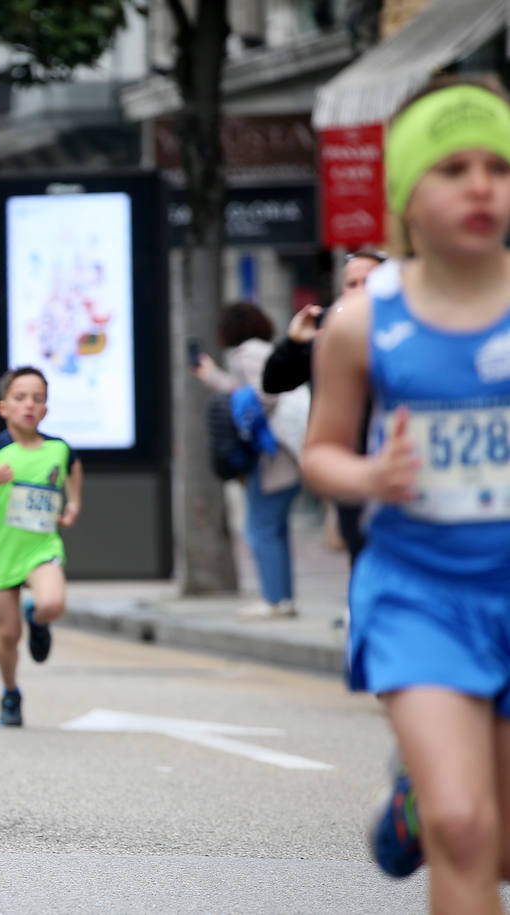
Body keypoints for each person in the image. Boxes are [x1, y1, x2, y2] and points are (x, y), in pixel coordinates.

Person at [303, 76, 510, 909]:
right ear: (407, 202)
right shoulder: (361, 323)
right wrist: (371, 477)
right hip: (418, 590)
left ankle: (414, 791)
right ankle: (436, 792)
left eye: (497, 165)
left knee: (496, 844)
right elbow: (322, 452)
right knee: (464, 824)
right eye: (452, 167)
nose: (479, 184)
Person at [0, 366, 82, 728]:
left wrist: (73, 504)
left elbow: (74, 469)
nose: (29, 405)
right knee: (8, 634)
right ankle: (10, 692)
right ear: (4, 407)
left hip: (42, 547)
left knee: (52, 603)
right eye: (20, 397)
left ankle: (38, 619)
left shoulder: (59, 448)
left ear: (46, 408)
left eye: (38, 398)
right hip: (1, 552)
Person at [262, 251, 386, 564]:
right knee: (362, 554)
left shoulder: (410, 331)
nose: (359, 290)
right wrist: (295, 342)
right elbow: (274, 381)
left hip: (401, 470)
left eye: (368, 282)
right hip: (353, 473)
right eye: (352, 283)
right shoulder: (334, 334)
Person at [192, 302, 302, 618]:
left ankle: (275, 600)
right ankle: (282, 599)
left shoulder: (248, 353)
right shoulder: (264, 349)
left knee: (260, 527)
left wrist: (248, 421)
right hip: (284, 452)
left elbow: (265, 394)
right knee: (273, 528)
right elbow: (250, 389)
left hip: (273, 454)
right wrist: (213, 376)